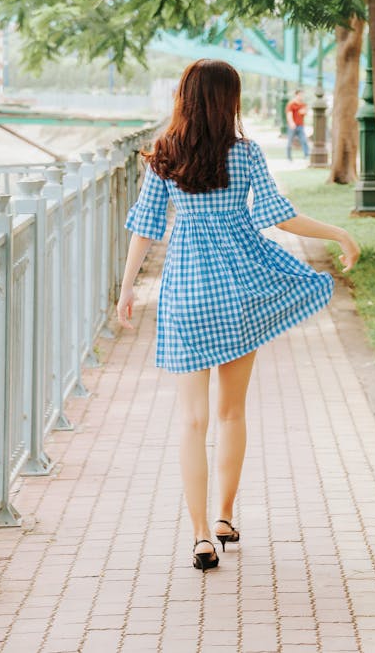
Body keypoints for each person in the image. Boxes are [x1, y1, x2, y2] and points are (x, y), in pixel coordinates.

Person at [115, 60, 359, 573]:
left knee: (192, 420)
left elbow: (146, 227)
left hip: (185, 292)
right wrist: (338, 233)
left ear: (183, 97)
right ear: (230, 100)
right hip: (240, 289)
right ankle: (225, 516)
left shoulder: (163, 154)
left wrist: (127, 289)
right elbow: (278, 215)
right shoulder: (245, 154)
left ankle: (201, 535)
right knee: (231, 414)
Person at [285, 88, 309, 160]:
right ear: (296, 95)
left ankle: (306, 155)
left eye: (302, 95)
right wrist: (291, 123)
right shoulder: (291, 104)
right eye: (300, 95)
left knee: (304, 140)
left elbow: (305, 112)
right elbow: (289, 114)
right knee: (290, 141)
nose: (301, 96)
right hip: (292, 126)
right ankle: (289, 157)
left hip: (300, 125)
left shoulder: (303, 104)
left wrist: (303, 111)